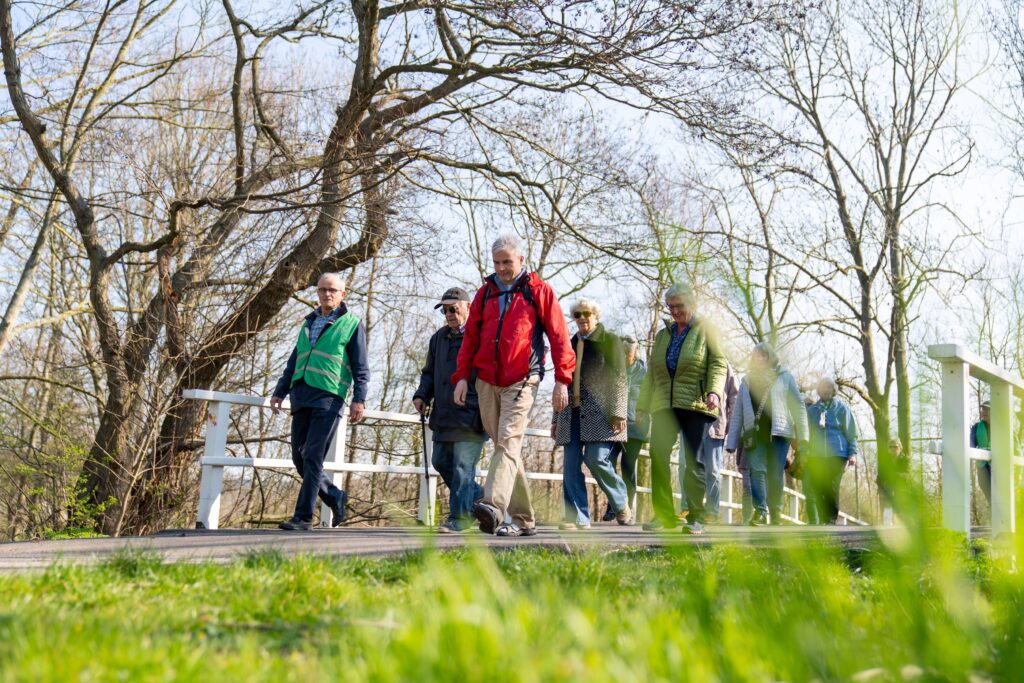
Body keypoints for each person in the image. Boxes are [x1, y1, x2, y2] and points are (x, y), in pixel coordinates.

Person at [453, 235, 575, 537]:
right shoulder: (485, 294)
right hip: (485, 381)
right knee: (506, 448)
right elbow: (470, 340)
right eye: (496, 263)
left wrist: (563, 379)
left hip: (522, 378)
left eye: (507, 262)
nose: (502, 268)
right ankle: (524, 520)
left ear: (521, 260)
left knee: (508, 442)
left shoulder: (538, 291)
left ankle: (493, 507)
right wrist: (462, 377)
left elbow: (559, 337)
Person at [270, 273, 370, 531]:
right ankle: (334, 495)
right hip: (301, 395)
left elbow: (361, 367)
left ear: (342, 294)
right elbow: (294, 360)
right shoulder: (308, 322)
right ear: (317, 292)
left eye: (333, 290)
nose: (327, 294)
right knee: (299, 457)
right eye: (323, 289)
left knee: (313, 456)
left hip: (329, 396)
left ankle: (303, 517)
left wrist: (359, 399)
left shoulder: (351, 324)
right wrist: (280, 391)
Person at [636, 283, 727, 535]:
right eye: (670, 306)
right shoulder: (663, 334)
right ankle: (664, 514)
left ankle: (696, 516)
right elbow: (652, 373)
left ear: (692, 304)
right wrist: (643, 405)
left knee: (694, 460)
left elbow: (718, 364)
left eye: (680, 306)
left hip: (695, 403)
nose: (674, 311)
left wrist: (714, 392)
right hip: (664, 403)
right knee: (658, 455)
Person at [413, 287, 487, 533]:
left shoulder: (479, 337)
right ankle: (479, 496)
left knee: (462, 467)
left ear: (467, 307)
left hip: (471, 412)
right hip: (443, 414)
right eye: (444, 310)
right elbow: (430, 373)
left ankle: (461, 518)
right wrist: (422, 395)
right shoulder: (438, 338)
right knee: (440, 461)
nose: (449, 314)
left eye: (453, 308)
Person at [553, 299, 632, 530]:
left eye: (586, 313)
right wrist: (555, 419)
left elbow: (620, 378)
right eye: (577, 315)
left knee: (596, 459)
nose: (582, 318)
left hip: (601, 413)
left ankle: (620, 503)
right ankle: (577, 517)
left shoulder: (610, 341)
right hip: (571, 413)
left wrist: (619, 412)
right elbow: (561, 382)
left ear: (596, 315)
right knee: (570, 466)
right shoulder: (570, 343)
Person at [726, 343, 808, 525]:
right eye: (756, 355)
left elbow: (799, 406)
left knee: (775, 474)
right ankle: (761, 511)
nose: (760, 359)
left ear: (770, 357)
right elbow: (738, 411)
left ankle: (776, 514)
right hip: (753, 434)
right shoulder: (746, 381)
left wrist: (803, 437)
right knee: (757, 472)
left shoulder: (784, 377)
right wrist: (731, 441)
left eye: (764, 355)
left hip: (779, 433)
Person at [602, 334, 649, 521]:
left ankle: (627, 510)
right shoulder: (612, 369)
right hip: (613, 424)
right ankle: (614, 506)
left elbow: (649, 396)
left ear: (635, 353)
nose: (626, 357)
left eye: (629, 354)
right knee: (608, 464)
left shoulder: (644, 372)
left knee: (628, 468)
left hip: (635, 427)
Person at [805, 377, 859, 524]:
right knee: (819, 486)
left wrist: (852, 453)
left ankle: (830, 519)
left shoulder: (842, 408)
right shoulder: (813, 411)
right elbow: (807, 434)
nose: (826, 390)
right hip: (817, 455)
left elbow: (851, 432)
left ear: (833, 390)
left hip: (838, 453)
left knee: (831, 486)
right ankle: (824, 517)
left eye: (829, 387)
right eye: (823, 387)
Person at [700, 366, 739, 523]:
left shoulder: (725, 366)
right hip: (693, 423)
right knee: (689, 468)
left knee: (713, 470)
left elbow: (734, 397)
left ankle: (712, 511)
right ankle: (689, 508)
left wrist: (730, 424)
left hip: (716, 425)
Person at [971, 401, 991, 504]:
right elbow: (971, 445)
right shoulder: (976, 427)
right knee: (990, 497)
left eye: (987, 409)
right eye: (983, 409)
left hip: (998, 466)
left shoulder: (1002, 427)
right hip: (982, 466)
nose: (984, 411)